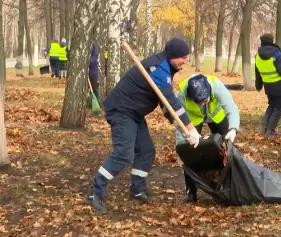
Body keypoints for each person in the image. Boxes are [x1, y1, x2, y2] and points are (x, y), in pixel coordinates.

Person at [85, 38, 200, 213]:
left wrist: (181, 127)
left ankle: (137, 190)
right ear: (172, 56)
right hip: (122, 110)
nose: (185, 60)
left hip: (134, 112)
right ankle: (95, 193)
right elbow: (172, 103)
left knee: (146, 151)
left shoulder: (166, 67)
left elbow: (165, 105)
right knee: (123, 154)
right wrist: (191, 129)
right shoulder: (158, 69)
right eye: (182, 57)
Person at [174, 73, 240, 202]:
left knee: (224, 148)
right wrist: (182, 148)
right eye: (200, 101)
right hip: (192, 121)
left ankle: (225, 188)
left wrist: (233, 129)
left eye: (206, 99)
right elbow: (179, 121)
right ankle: (191, 192)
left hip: (217, 117)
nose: (205, 102)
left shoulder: (216, 86)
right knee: (190, 152)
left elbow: (231, 109)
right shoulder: (182, 95)